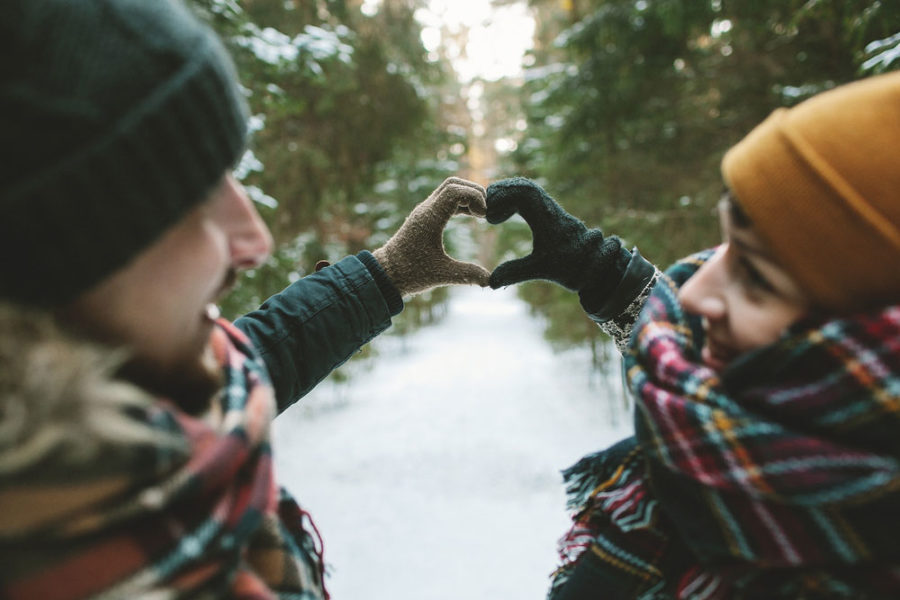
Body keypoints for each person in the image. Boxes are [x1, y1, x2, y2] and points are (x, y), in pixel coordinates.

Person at [0, 0, 490, 598]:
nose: (255, 239)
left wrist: (384, 275)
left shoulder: (152, 413)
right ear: (52, 251)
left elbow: (253, 355)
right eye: (196, 198)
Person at [485, 71, 900, 599]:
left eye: (757, 278)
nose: (696, 293)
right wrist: (603, 272)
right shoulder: (723, 442)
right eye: (728, 246)